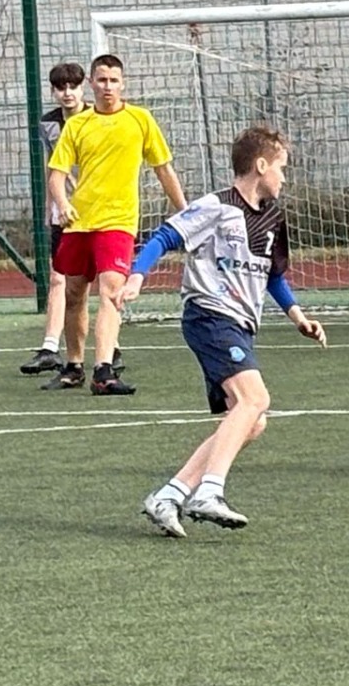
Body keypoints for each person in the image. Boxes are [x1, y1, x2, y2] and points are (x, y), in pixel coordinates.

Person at [124, 126, 327, 535]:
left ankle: (170, 495)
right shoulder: (217, 206)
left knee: (252, 420)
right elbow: (165, 235)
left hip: (240, 325)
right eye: (282, 168)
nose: (284, 177)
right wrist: (137, 275)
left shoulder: (273, 218)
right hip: (210, 315)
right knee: (256, 398)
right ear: (261, 165)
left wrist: (297, 316)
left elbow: (272, 275)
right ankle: (210, 491)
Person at [46, 53, 186, 395]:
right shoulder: (77, 125)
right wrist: (63, 204)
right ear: (91, 83)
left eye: (113, 80)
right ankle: (74, 365)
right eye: (101, 80)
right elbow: (56, 174)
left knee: (112, 291)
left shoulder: (140, 119)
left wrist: (186, 212)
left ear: (123, 84)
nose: (107, 86)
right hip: (79, 223)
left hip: (119, 223)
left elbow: (163, 169)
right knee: (75, 294)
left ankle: (103, 371)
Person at [19, 61, 88, 378]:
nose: (67, 93)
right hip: (66, 211)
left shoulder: (95, 118)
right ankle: (49, 347)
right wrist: (52, 206)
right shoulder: (49, 124)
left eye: (73, 86)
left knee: (101, 282)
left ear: (83, 88)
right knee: (59, 277)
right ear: (53, 91)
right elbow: (52, 166)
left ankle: (110, 349)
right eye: (61, 88)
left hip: (96, 209)